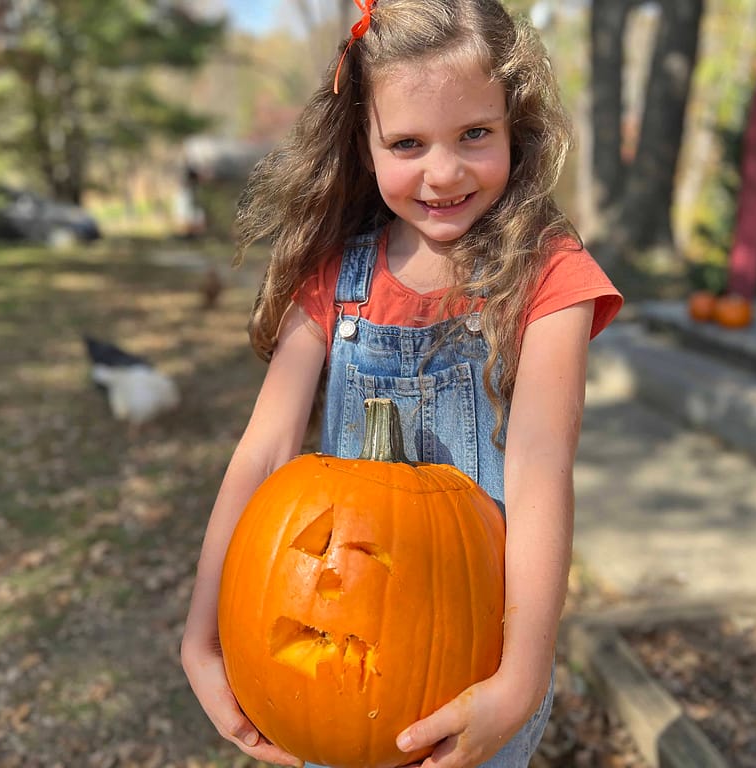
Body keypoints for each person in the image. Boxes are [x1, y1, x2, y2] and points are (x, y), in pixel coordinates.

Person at [180, 1, 623, 766]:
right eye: (408, 143)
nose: (443, 171)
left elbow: (541, 467)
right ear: (366, 143)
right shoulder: (331, 277)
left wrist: (519, 680)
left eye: (474, 135)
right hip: (334, 654)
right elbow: (263, 454)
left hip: (476, 671)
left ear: (514, 123)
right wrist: (201, 633)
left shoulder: (549, 276)